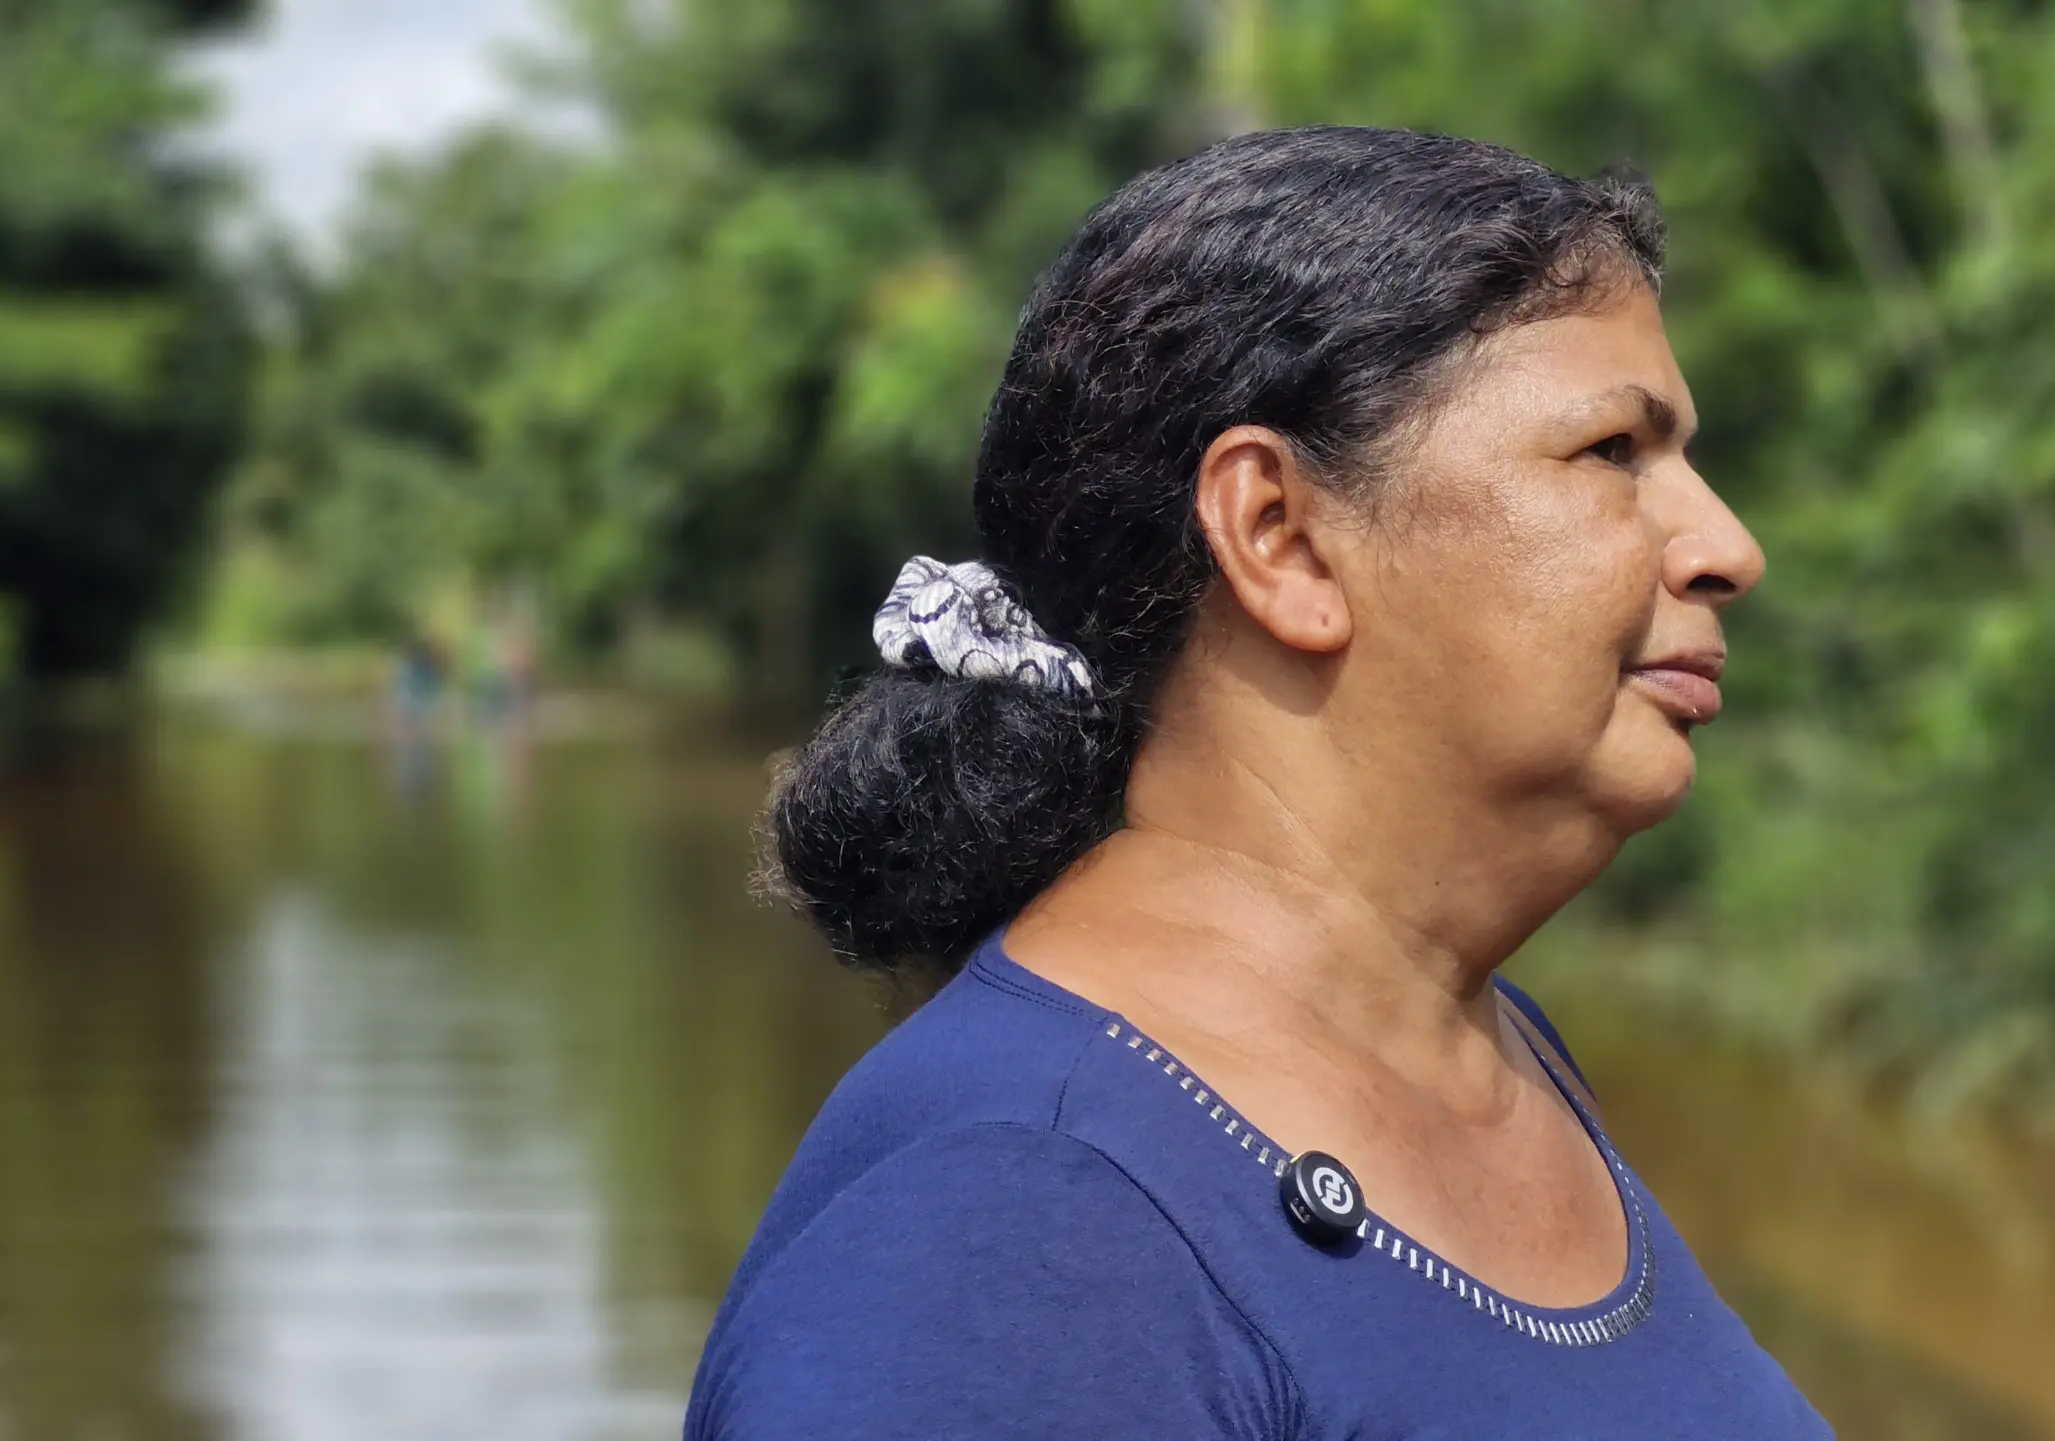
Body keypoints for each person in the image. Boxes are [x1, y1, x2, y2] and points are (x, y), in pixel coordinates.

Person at [689, 126, 1831, 1439]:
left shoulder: (1502, 1060)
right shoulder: (1010, 1230)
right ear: (1280, 536)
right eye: (1612, 452)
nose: (1728, 547)